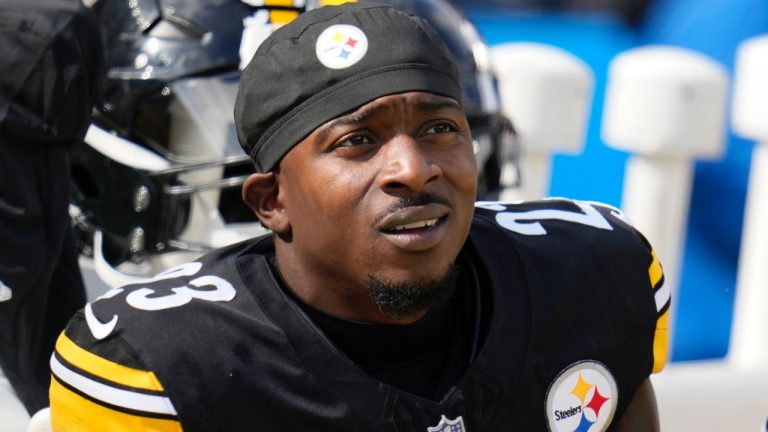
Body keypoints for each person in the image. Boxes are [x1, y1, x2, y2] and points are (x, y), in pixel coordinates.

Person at [48, 3, 669, 431]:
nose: (413, 167)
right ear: (271, 201)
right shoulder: (163, 362)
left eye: (439, 127)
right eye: (357, 142)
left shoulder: (594, 275)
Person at [0, 0, 104, 415]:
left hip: (37, 64)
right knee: (25, 281)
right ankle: (50, 404)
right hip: (32, 64)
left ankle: (57, 400)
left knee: (46, 280)